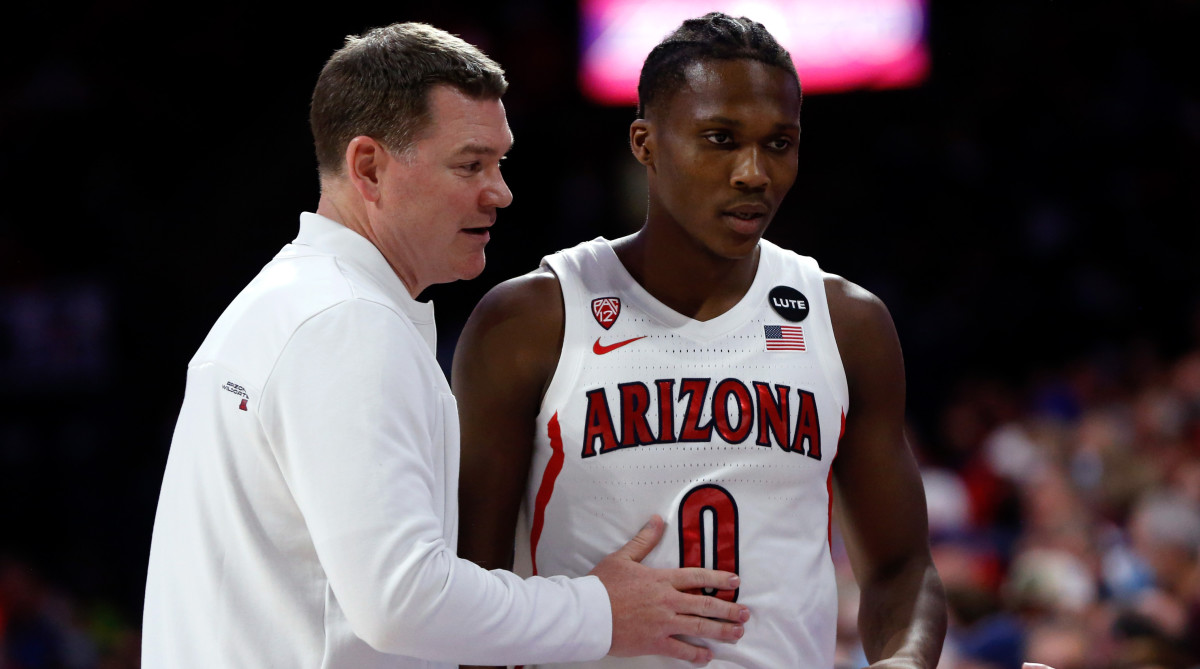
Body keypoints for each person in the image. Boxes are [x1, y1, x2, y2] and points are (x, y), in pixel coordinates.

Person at [140, 22, 750, 669]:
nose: (501, 191)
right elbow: (400, 597)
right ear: (369, 167)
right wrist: (599, 610)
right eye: (471, 164)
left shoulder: (287, 302)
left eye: (501, 162)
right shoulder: (349, 324)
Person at [454, 13, 947, 668]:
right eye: (720, 138)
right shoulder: (531, 319)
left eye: (779, 143)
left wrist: (903, 661)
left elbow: (902, 567)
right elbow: (470, 591)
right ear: (645, 143)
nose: (754, 172)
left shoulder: (847, 322)